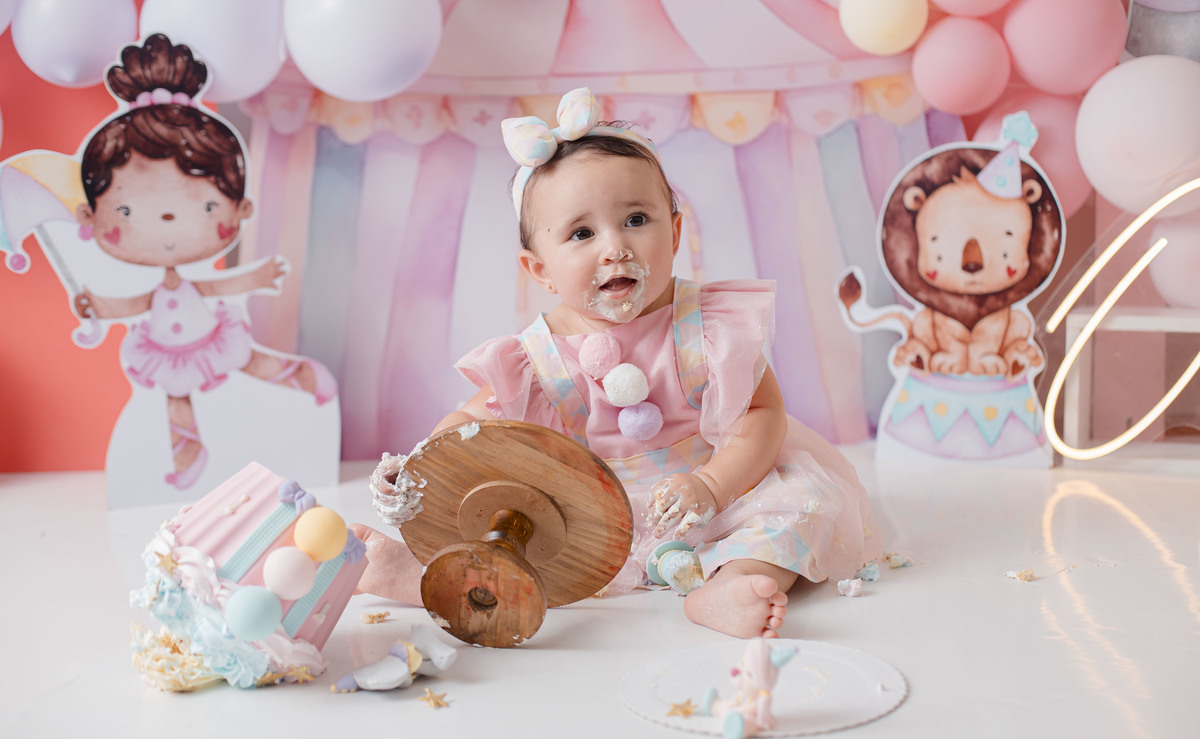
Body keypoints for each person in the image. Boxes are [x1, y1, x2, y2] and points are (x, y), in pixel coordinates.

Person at [357, 88, 880, 638]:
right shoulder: (537, 357)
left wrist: (712, 485)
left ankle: (732, 581)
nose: (615, 247)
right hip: (595, 518)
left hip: (718, 492)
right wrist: (421, 466)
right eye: (582, 233)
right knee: (519, 540)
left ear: (674, 233)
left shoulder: (706, 326)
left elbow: (762, 414)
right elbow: (472, 424)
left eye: (635, 219)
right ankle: (418, 574)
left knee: (798, 506)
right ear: (540, 271)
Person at [71, 34, 335, 490]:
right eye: (127, 210)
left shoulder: (195, 283)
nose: (167, 220)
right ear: (90, 217)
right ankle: (189, 454)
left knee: (248, 361)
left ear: (240, 207)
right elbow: (136, 304)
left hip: (211, 336)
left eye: (206, 206)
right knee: (176, 394)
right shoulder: (159, 288)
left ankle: (305, 377)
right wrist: (97, 306)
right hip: (166, 347)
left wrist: (258, 276)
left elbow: (217, 288)